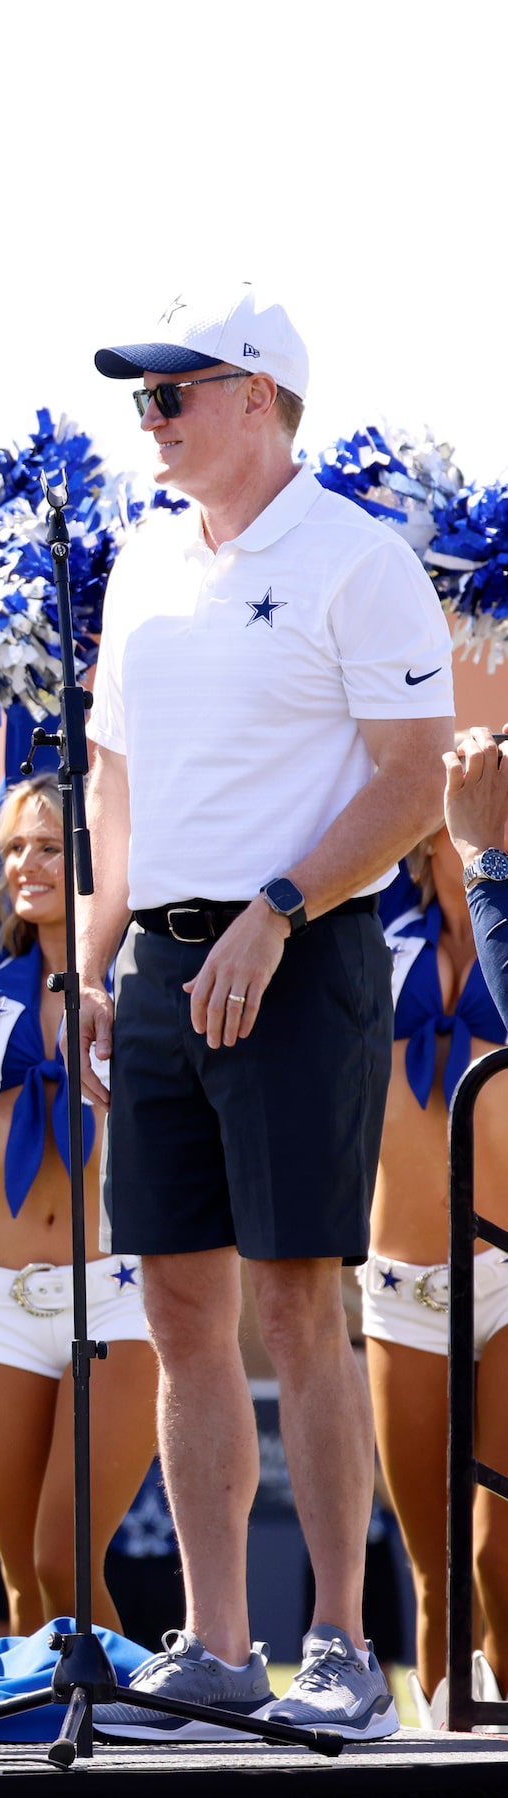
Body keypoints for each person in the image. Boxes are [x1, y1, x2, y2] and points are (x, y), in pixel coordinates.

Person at [77, 286, 448, 1740]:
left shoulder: (356, 558)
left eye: (169, 393)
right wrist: (92, 961)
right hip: (161, 971)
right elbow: (112, 782)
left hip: (300, 957)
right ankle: (218, 1644)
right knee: (178, 1312)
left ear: (252, 396)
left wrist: (276, 906)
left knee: (298, 1301)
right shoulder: (138, 565)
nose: (148, 421)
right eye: (138, 399)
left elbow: (411, 779)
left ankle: (344, 1647)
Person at [0, 777, 162, 1636]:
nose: (23, 865)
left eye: (47, 846)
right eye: (12, 849)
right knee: (19, 1585)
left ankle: (119, 1733)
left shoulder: (146, 969)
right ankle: (43, 1759)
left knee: (60, 1560)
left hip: (113, 1289)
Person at [424, 726, 508, 1696]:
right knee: (439, 1563)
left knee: (495, 1553)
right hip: (408, 1272)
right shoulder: (394, 926)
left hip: (497, 1263)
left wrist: (486, 861)